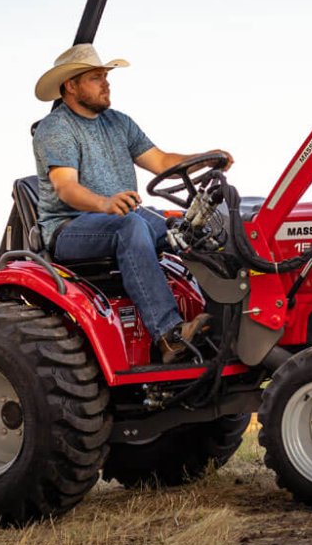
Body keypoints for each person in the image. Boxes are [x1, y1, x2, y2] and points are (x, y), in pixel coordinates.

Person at [32, 44, 233, 362]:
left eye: (105, 76)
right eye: (96, 77)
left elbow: (162, 160)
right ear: (71, 86)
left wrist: (205, 159)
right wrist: (104, 203)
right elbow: (65, 187)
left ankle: (227, 319)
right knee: (130, 226)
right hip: (70, 227)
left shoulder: (119, 123)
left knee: (189, 228)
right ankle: (169, 335)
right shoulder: (56, 128)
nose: (106, 83)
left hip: (123, 214)